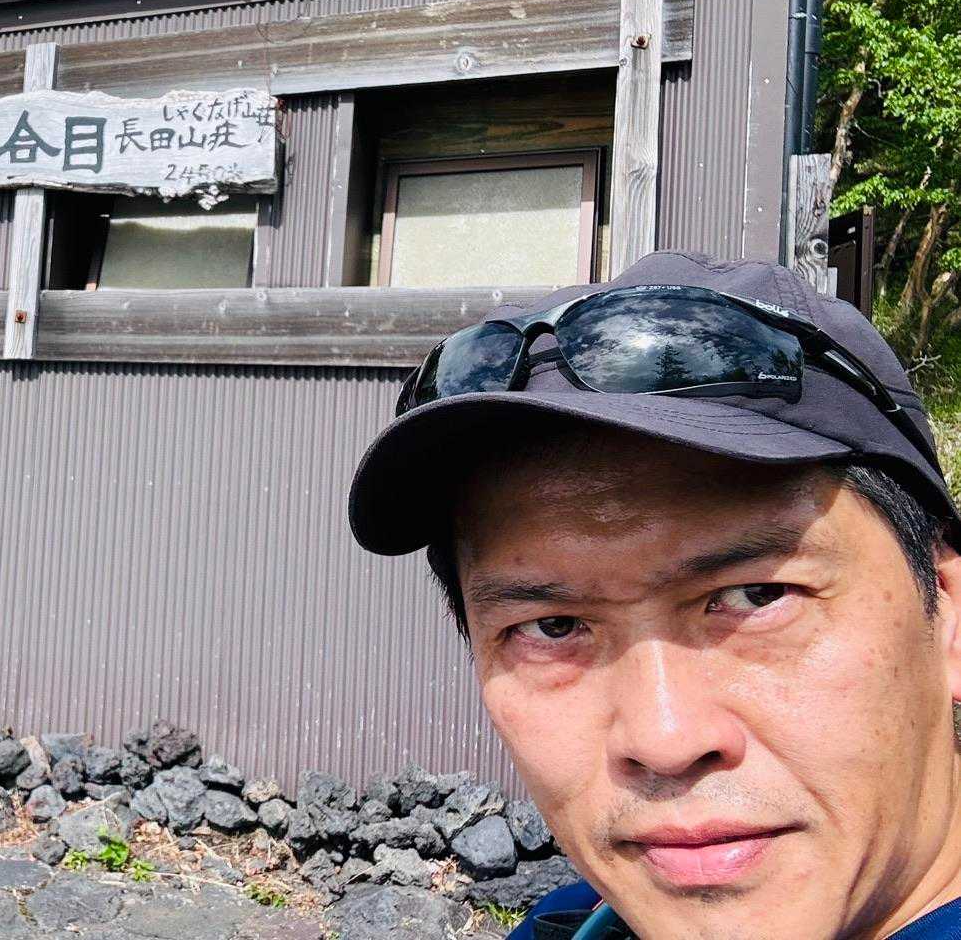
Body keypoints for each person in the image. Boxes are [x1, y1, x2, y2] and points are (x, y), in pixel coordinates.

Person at [347, 252, 961, 939]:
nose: (664, 740)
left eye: (757, 595)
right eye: (552, 627)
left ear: (948, 610)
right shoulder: (568, 922)